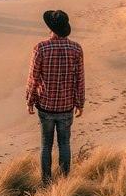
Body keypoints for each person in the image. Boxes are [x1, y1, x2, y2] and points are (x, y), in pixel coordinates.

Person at [25, 9, 85, 185]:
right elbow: (79, 79)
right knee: (65, 144)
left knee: (46, 145)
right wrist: (79, 103)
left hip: (45, 105)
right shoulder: (76, 49)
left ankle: (46, 183)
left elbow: (33, 77)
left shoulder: (41, 48)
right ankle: (64, 182)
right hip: (66, 106)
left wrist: (29, 100)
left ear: (50, 28)